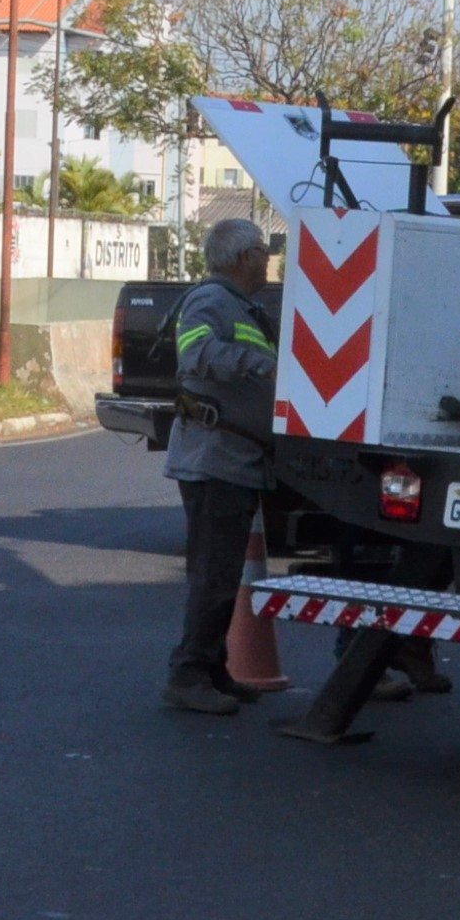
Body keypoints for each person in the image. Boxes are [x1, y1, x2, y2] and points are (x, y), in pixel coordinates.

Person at [161, 216, 280, 714]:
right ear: (243, 257)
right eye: (263, 250)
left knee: (223, 574)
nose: (268, 259)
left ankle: (212, 670)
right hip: (215, 460)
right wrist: (262, 366)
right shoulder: (211, 300)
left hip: (235, 459)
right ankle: (188, 674)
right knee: (213, 575)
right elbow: (195, 353)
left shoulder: (241, 306)